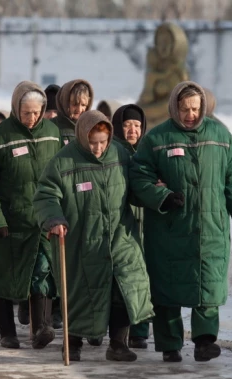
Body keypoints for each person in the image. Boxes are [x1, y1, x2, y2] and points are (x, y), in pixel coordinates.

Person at [130, 81, 232, 363]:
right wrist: (161, 196)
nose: (190, 114)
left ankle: (204, 341)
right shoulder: (157, 138)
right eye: (185, 108)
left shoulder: (220, 135)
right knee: (167, 292)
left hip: (210, 229)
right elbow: (138, 178)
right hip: (169, 230)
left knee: (208, 287)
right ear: (174, 107)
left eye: (195, 108)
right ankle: (169, 344)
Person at [34, 110, 154, 362]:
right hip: (82, 240)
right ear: (82, 136)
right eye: (93, 142)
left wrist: (155, 191)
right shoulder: (63, 162)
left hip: (120, 237)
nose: (99, 148)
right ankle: (73, 342)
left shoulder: (120, 154)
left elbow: (135, 186)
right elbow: (46, 195)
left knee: (122, 290)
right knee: (81, 293)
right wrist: (54, 219)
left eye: (103, 142)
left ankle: (119, 344)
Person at [0, 81, 61, 350]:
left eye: (37, 112)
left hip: (40, 222)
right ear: (16, 109)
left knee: (42, 275)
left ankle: (42, 328)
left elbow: (61, 175)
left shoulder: (53, 133)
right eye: (27, 113)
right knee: (4, 279)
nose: (32, 118)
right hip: (9, 224)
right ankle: (7, 333)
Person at [111, 103, 151, 349]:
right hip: (121, 226)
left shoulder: (148, 152)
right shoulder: (112, 152)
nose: (132, 130)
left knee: (143, 278)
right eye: (127, 125)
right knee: (122, 279)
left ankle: (140, 330)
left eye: (137, 125)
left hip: (146, 226)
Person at [51, 79, 94, 145]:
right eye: (75, 104)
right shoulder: (52, 127)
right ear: (65, 103)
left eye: (83, 105)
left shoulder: (91, 128)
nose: (79, 109)